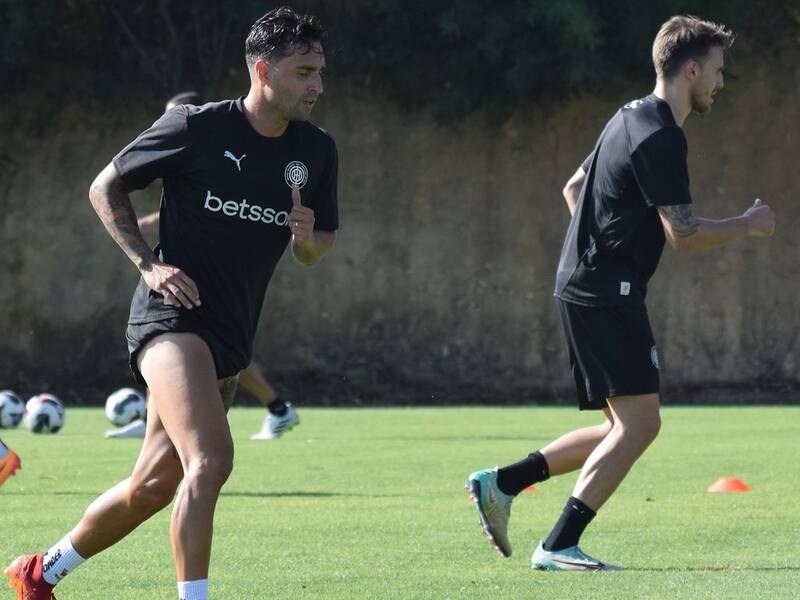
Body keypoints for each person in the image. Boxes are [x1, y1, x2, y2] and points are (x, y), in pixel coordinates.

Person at [5, 7, 337, 599]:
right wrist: (148, 264)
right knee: (211, 460)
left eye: (320, 72)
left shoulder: (316, 151)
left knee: (154, 485)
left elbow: (316, 253)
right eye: (304, 72)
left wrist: (306, 239)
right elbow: (104, 185)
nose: (317, 85)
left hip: (232, 335)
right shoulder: (195, 127)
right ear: (263, 70)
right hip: (170, 319)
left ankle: (40, 571)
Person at [466, 15, 774, 571]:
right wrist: (749, 224)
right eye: (718, 73)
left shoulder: (628, 115)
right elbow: (681, 233)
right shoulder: (662, 136)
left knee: (618, 425)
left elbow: (575, 187)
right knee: (642, 424)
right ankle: (558, 544)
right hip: (607, 292)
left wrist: (603, 246)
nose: (721, 85)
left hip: (587, 284)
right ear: (692, 69)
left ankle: (502, 483)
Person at [125, 91, 299, 441]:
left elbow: (217, 202)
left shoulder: (207, 137)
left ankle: (277, 407)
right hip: (181, 287)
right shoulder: (182, 144)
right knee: (171, 348)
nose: (165, 126)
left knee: (215, 362)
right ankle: (156, 426)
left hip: (218, 281)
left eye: (171, 118)